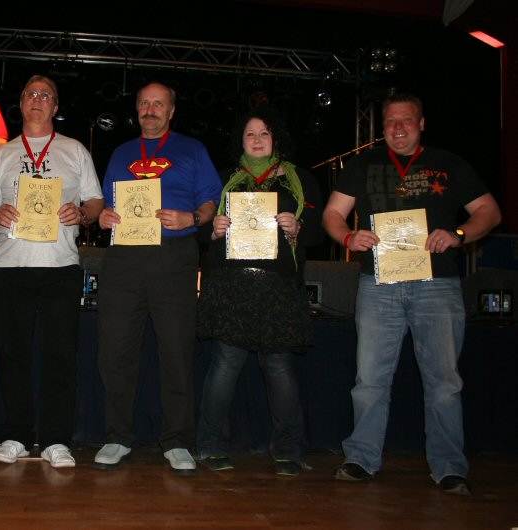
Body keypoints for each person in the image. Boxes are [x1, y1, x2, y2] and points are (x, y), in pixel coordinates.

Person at [322, 93, 501, 495]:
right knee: (369, 380)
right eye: (390, 121)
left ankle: (449, 466)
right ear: (382, 127)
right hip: (377, 284)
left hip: (437, 285)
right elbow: (332, 214)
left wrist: (458, 234)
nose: (398, 128)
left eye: (406, 120)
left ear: (421, 124)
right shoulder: (362, 164)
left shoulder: (449, 163)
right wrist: (348, 236)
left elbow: (489, 212)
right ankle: (361, 458)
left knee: (444, 383)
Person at [95, 81, 223, 475]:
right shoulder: (121, 152)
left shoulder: (192, 149)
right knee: (115, 350)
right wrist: (103, 216)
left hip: (174, 255)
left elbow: (211, 201)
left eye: (158, 104)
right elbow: (105, 204)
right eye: (144, 103)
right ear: (137, 109)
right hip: (124, 257)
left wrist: (192, 218)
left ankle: (178, 440)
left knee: (176, 350)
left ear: (171, 112)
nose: (150, 110)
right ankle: (117, 436)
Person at [0, 75, 104, 468]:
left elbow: (96, 202)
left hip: (59, 266)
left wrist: (82, 213)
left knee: (60, 356)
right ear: (21, 103)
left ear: (55, 107)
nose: (37, 99)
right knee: (12, 354)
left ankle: (56, 440)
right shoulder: (3, 153)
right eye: (30, 93)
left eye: (45, 95)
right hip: (10, 266)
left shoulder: (75, 149)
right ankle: (15, 435)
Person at [195, 108, 324, 475]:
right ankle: (210, 444)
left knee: (279, 367)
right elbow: (199, 227)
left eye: (264, 133)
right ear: (240, 140)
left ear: (276, 138)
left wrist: (298, 227)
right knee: (225, 364)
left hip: (278, 286)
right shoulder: (223, 178)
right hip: (230, 285)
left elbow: (318, 232)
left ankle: (289, 449)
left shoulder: (299, 179)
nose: (256, 140)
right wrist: (213, 230)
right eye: (250, 134)